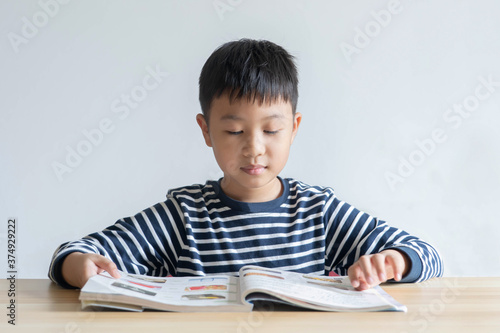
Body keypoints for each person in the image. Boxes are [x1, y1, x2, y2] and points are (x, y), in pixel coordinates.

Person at [48, 39, 443, 291]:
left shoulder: (317, 212)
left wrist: (394, 261)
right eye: (235, 131)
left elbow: (427, 254)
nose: (254, 149)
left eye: (272, 130)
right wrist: (78, 266)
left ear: (294, 128)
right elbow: (74, 253)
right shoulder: (184, 216)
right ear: (205, 130)